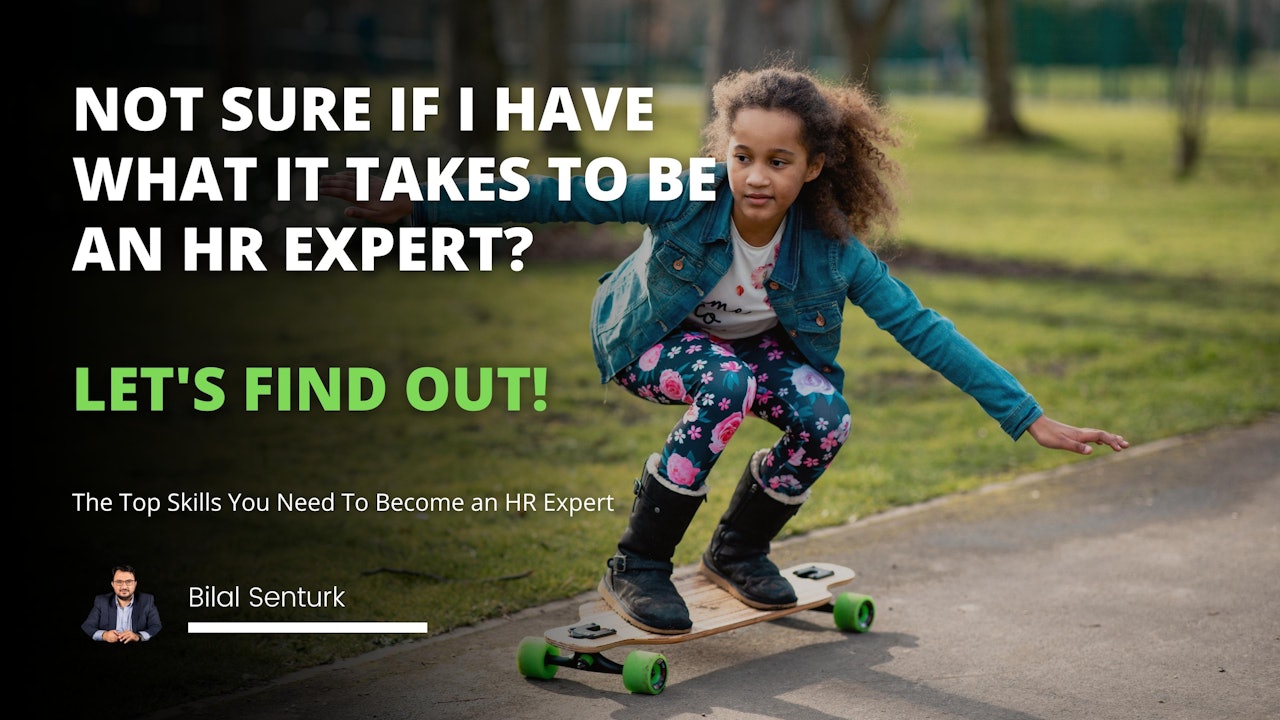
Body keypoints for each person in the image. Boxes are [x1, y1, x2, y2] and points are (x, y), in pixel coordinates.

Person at [318, 66, 1128, 635]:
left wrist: (1027, 416)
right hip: (649, 344)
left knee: (825, 415)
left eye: (779, 162)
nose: (756, 177)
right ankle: (637, 562)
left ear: (813, 168)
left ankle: (739, 550)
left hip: (740, 362)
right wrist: (421, 204)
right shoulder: (684, 196)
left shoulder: (834, 251)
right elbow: (557, 192)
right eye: (743, 157)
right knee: (730, 383)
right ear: (724, 153)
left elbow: (923, 328)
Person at [82, 565, 162, 643]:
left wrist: (138, 637)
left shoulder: (147, 600)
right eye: (119, 582)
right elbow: (87, 626)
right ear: (112, 584)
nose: (124, 587)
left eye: (129, 582)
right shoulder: (101, 601)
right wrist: (104, 635)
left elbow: (156, 626)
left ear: (135, 584)